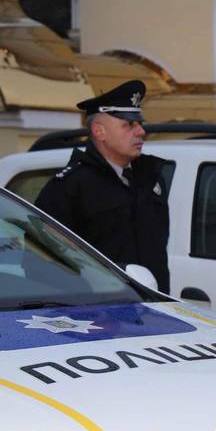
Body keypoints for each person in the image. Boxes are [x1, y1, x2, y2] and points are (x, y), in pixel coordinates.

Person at [35, 80, 171, 292]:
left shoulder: (150, 178)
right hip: (101, 315)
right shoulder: (69, 187)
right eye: (129, 124)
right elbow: (42, 263)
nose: (141, 132)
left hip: (153, 308)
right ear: (99, 132)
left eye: (140, 124)